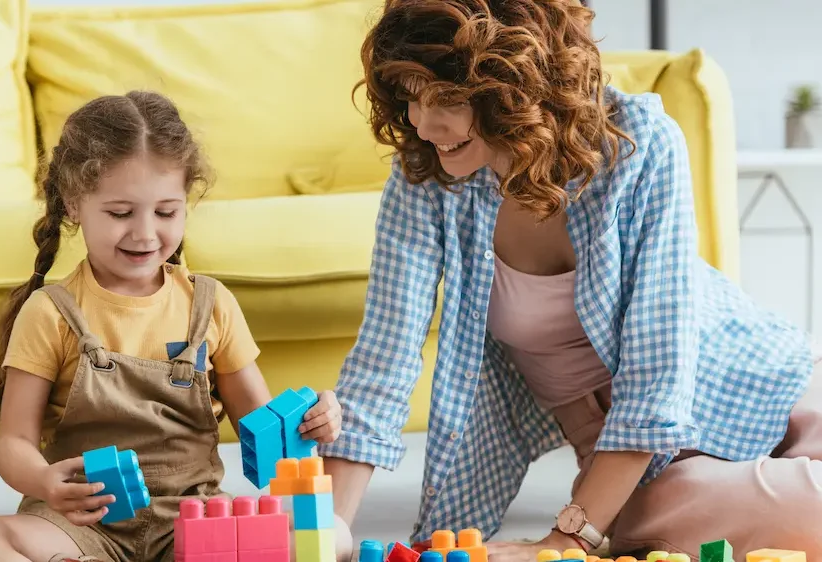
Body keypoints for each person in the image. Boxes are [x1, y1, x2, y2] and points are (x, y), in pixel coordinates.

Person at [317, 1, 822, 561]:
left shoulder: (639, 142)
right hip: (638, 455)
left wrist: (559, 543)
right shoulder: (427, 176)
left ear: (516, 85)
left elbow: (658, 378)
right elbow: (383, 357)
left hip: (760, 381)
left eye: (448, 100)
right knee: (657, 526)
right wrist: (328, 527)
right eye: (410, 96)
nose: (421, 123)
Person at [0, 91, 343, 562]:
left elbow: (263, 424)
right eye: (120, 213)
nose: (145, 233)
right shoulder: (50, 312)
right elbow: (14, 443)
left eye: (166, 212)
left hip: (195, 524)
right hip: (80, 526)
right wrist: (45, 481)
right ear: (73, 203)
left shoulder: (211, 305)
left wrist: (312, 421)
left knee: (333, 535)